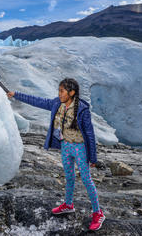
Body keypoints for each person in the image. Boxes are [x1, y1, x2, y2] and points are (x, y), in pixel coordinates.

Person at [7, 78, 105, 231]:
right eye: (59, 90)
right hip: (65, 146)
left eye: (62, 91)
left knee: (86, 179)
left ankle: (98, 213)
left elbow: (90, 134)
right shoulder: (56, 104)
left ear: (71, 93)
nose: (59, 94)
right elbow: (37, 101)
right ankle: (68, 204)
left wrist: (93, 157)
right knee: (69, 176)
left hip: (80, 148)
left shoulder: (82, 109)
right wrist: (16, 95)